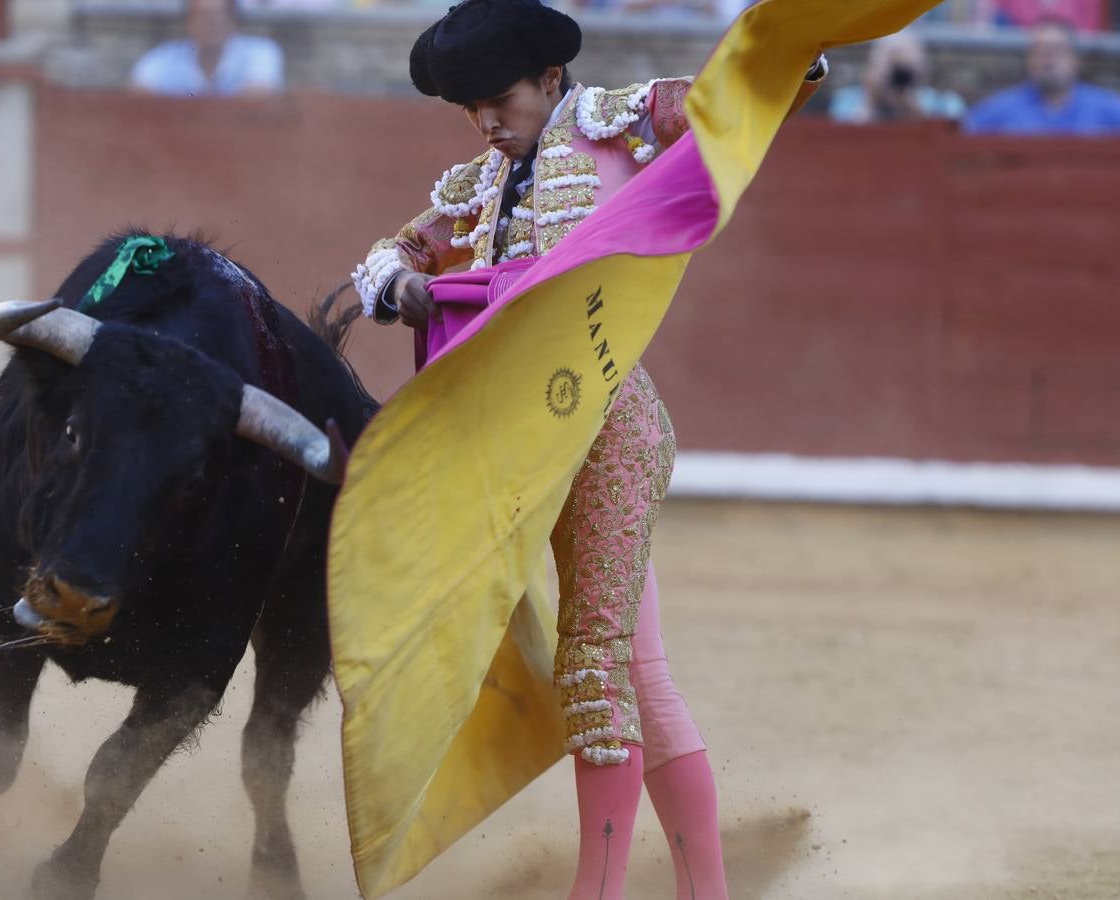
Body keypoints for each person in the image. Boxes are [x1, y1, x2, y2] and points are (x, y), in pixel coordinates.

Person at [350, 1, 826, 896]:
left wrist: (793, 52)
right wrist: (401, 282)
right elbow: (389, 252)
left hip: (607, 425)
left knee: (595, 668)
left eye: (500, 101)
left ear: (550, 80)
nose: (488, 123)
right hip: (525, 444)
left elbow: (726, 100)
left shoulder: (618, 123)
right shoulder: (479, 184)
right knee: (639, 677)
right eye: (472, 109)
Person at [964, 18, 1120, 134]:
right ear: (1029, 60)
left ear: (1075, 60)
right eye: (1041, 51)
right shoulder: (999, 110)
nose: (1049, 60)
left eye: (1058, 50)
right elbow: (962, 138)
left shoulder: (1108, 108)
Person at [129, 0, 284, 97]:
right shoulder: (162, 58)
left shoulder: (261, 52)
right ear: (188, 22)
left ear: (234, 22)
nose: (211, 24)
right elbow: (139, 96)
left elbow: (260, 94)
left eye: (218, 16)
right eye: (202, 16)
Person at [830, 30, 966, 124]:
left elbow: (955, 136)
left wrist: (917, 113)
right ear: (873, 67)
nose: (898, 78)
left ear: (922, 69)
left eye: (904, 71)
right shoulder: (847, 100)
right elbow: (841, 140)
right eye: (893, 69)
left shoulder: (944, 103)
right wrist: (869, 102)